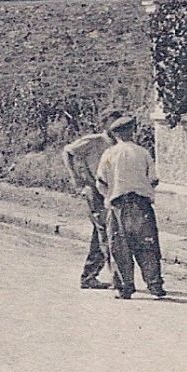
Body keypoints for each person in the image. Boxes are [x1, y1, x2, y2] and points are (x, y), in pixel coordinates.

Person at [95, 111, 167, 300]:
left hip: (118, 205)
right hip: (142, 205)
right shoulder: (143, 153)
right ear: (132, 132)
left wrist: (109, 197)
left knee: (119, 247)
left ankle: (124, 287)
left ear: (115, 134)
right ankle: (155, 285)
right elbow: (153, 179)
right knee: (148, 246)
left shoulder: (109, 154)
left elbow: (101, 182)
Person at [60, 119, 117, 289]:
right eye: (113, 124)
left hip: (111, 191)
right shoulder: (93, 141)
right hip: (94, 190)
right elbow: (67, 151)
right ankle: (116, 277)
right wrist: (75, 177)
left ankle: (89, 275)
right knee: (105, 231)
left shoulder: (120, 144)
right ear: (106, 125)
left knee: (101, 232)